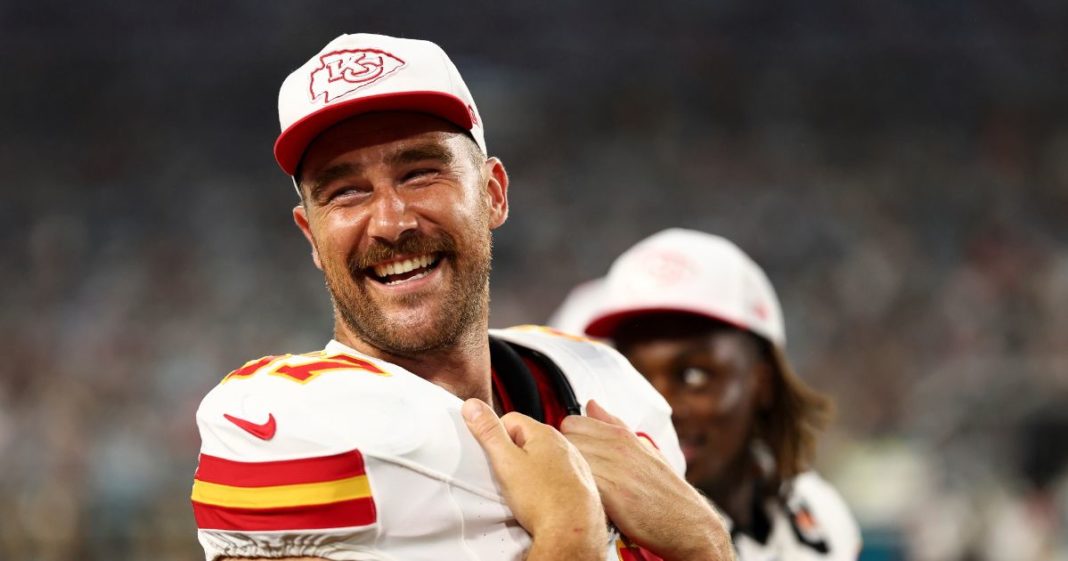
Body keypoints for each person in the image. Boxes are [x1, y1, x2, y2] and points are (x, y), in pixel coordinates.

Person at [189, 34, 732, 561]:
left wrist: (708, 542)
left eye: (421, 173)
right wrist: (571, 536)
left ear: (493, 194)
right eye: (346, 192)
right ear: (311, 236)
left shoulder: (608, 386)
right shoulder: (286, 430)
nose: (391, 222)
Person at [557, 228, 862, 560]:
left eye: (694, 375)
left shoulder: (821, 514)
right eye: (633, 376)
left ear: (763, 381)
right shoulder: (590, 538)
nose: (659, 406)